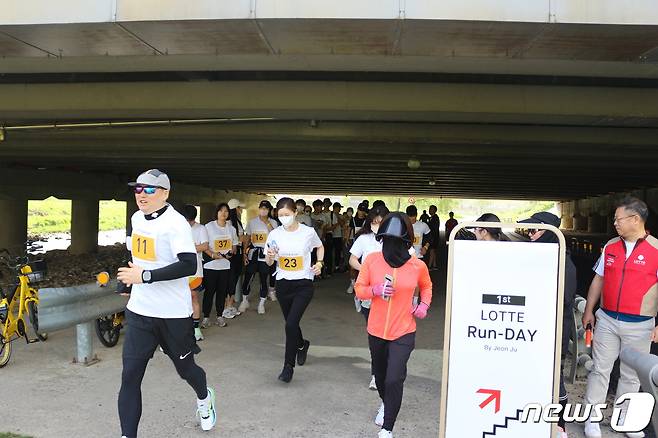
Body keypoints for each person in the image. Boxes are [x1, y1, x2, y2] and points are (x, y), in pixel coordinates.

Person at [117, 169, 216, 438]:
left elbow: (187, 264)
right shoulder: (136, 218)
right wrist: (128, 279)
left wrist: (145, 276)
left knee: (186, 370)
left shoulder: (176, 224)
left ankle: (204, 397)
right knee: (130, 376)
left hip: (173, 314)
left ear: (165, 193)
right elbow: (135, 255)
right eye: (138, 189)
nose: (141, 195)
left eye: (149, 190)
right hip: (140, 312)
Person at [582, 197, 658, 438]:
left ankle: (625, 420)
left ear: (635, 219)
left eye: (618, 219)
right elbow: (598, 279)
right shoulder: (610, 246)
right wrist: (588, 310)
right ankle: (591, 420)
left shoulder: (656, 249)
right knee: (600, 371)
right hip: (607, 320)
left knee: (631, 375)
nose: (615, 223)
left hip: (641, 324)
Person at [355, 212, 433, 438]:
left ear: (407, 242)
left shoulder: (417, 266)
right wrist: (375, 290)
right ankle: (385, 402)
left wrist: (423, 306)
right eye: (387, 240)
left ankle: (388, 428)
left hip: (404, 331)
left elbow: (427, 287)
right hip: (376, 330)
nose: (391, 246)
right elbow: (360, 289)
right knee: (380, 378)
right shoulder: (371, 260)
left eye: (397, 241)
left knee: (394, 378)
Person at [519, 211, 576, 438]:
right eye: (529, 231)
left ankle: (560, 425)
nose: (530, 235)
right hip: (531, 329)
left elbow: (561, 301)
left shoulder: (564, 263)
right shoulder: (538, 256)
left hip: (553, 332)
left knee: (554, 377)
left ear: (550, 232)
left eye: (535, 230)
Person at [265, 197, 324, 383]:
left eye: (287, 215)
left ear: (295, 213)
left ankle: (287, 367)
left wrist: (319, 263)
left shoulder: (307, 232)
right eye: (280, 215)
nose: (283, 218)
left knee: (290, 325)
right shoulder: (274, 234)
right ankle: (301, 344)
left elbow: (320, 246)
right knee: (291, 324)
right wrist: (270, 256)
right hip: (283, 284)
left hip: (303, 284)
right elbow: (269, 261)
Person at [349, 204, 390, 389]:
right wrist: (366, 271)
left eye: (381, 223)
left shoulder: (394, 239)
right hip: (368, 293)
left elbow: (410, 261)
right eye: (374, 223)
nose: (377, 226)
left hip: (390, 294)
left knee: (388, 335)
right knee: (375, 337)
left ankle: (389, 369)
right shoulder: (364, 239)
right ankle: (377, 373)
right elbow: (352, 259)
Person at [202, 203, 239, 328]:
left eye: (226, 211)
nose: (224, 214)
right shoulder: (208, 227)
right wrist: (212, 255)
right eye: (221, 211)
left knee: (222, 292)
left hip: (225, 266)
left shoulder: (231, 229)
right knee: (209, 292)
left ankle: (219, 316)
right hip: (210, 266)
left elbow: (234, 245)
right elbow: (204, 245)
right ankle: (206, 317)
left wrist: (231, 252)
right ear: (216, 213)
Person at [239, 200, 279, 315]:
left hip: (266, 255)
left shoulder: (273, 222)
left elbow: (276, 236)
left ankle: (261, 303)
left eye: (266, 208)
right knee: (248, 277)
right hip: (254, 253)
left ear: (269, 210)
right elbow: (248, 238)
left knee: (263, 278)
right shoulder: (252, 222)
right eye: (262, 208)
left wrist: (267, 223)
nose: (263, 210)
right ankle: (244, 300)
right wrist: (245, 253)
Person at [183, 204, 209, 341]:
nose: (189, 223)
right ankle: (182, 327)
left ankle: (196, 327)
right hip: (180, 270)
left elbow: (204, 246)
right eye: (187, 221)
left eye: (191, 221)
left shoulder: (201, 228)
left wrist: (187, 248)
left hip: (195, 269)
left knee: (194, 296)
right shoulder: (178, 228)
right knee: (179, 298)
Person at [226, 198, 246, 319]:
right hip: (231, 255)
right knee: (230, 280)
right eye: (240, 208)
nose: (241, 210)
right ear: (235, 209)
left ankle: (230, 305)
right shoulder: (228, 223)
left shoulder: (237, 221)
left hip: (237, 254)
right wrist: (242, 239)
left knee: (234, 279)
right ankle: (226, 307)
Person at [346, 204, 369, 294]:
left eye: (363, 210)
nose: (361, 212)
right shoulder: (353, 219)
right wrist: (347, 239)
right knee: (352, 265)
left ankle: (361, 284)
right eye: (360, 210)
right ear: (358, 210)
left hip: (364, 245)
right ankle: (352, 283)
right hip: (355, 243)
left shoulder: (367, 220)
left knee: (363, 265)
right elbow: (349, 229)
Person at [427, 205, 440, 270]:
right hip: (434, 237)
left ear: (434, 210)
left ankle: (429, 266)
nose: (429, 210)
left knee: (431, 251)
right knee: (433, 251)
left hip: (433, 237)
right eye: (429, 209)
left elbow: (433, 229)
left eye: (431, 209)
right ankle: (434, 265)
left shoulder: (435, 218)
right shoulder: (432, 217)